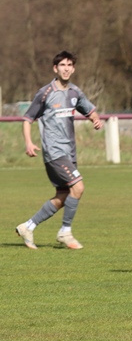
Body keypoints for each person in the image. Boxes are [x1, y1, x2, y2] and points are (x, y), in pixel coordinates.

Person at [15, 51, 104, 250]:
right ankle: (65, 231)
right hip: (54, 153)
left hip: (69, 153)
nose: (66, 68)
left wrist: (96, 120)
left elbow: (90, 111)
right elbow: (27, 119)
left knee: (64, 195)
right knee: (78, 187)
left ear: (73, 68)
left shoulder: (75, 92)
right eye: (62, 65)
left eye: (69, 65)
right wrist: (28, 143)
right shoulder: (45, 92)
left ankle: (28, 226)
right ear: (55, 68)